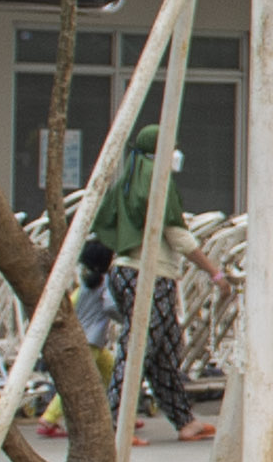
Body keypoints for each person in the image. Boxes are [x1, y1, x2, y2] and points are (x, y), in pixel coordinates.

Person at [78, 128, 205, 439]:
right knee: (138, 350)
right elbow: (176, 233)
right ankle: (114, 423)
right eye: (172, 147)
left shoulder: (131, 176)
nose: (176, 153)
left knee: (162, 349)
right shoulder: (155, 180)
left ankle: (185, 420)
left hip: (126, 271)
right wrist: (214, 273)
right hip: (149, 275)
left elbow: (109, 225)